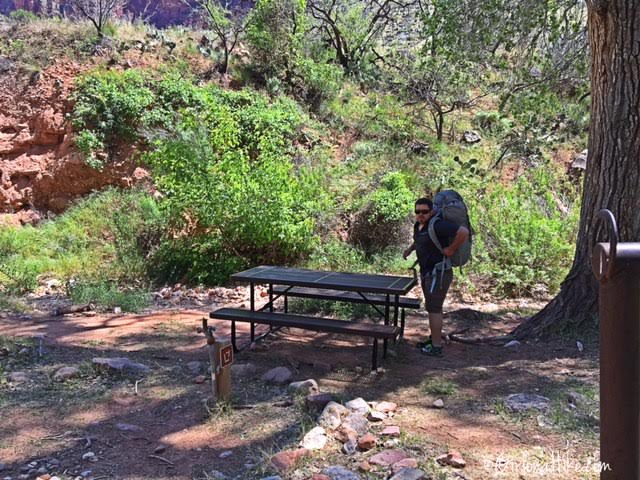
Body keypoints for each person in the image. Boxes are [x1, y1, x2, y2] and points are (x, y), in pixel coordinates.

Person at [403, 197, 469, 356]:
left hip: (439, 274)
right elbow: (418, 240)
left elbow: (463, 232)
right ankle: (434, 339)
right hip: (427, 273)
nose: (421, 214)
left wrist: (451, 249)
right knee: (431, 307)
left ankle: (437, 347)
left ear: (431, 211)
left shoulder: (438, 225)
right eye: (417, 211)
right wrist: (410, 250)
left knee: (434, 309)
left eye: (424, 211)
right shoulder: (418, 226)